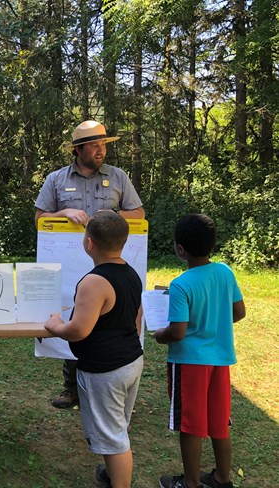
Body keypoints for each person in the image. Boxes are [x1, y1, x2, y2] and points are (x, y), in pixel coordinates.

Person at [35, 120, 145, 409]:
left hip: (108, 258)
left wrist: (110, 216)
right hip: (69, 262)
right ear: (78, 149)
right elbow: (40, 218)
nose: (101, 150)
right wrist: (63, 212)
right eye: (95, 145)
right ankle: (72, 388)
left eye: (103, 145)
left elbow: (138, 213)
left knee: (106, 318)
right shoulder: (56, 179)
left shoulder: (119, 177)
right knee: (74, 315)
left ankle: (108, 379)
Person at [45, 211, 144, 488]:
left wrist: (55, 325)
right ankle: (114, 473)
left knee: (113, 439)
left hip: (105, 370)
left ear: (89, 243)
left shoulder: (93, 282)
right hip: (130, 360)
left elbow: (79, 330)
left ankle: (119, 482)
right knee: (117, 427)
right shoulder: (131, 273)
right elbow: (137, 319)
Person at [153, 214, 245, 488]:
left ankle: (190, 483)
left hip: (189, 363)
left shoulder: (182, 284)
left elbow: (177, 332)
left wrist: (161, 336)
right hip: (220, 360)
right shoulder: (225, 272)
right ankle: (221, 478)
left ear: (180, 249)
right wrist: (212, 320)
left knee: (190, 425)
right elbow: (238, 312)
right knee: (218, 421)